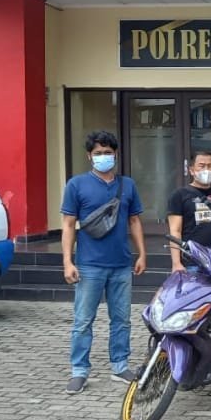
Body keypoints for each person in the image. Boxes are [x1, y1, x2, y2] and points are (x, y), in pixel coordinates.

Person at [60, 130, 147, 394]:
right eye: (98, 153)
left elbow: (134, 221)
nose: (103, 157)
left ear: (116, 154)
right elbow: (68, 224)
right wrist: (68, 262)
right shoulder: (76, 185)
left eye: (107, 152)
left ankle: (120, 366)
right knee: (83, 321)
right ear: (89, 156)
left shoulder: (128, 185)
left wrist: (142, 254)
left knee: (121, 320)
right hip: (89, 265)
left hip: (121, 264)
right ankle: (79, 371)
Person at [166, 150, 211, 272]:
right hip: (192, 261)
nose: (206, 170)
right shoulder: (180, 195)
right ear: (191, 170)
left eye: (210, 166)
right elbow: (175, 231)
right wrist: (176, 263)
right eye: (201, 166)